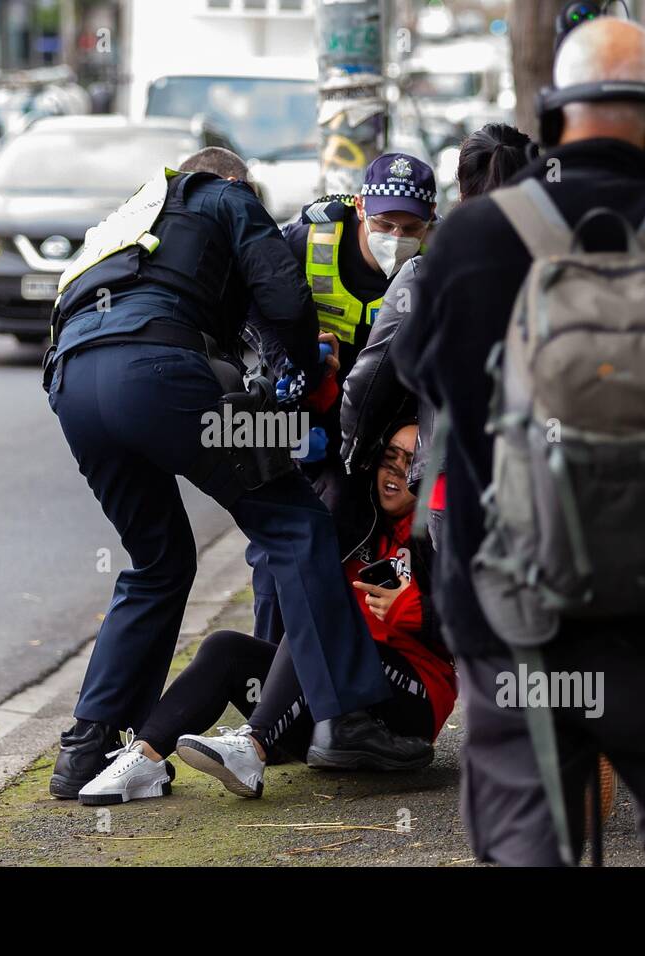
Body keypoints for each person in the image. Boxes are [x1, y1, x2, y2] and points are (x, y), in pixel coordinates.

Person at [396, 18, 645, 865]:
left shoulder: (473, 238)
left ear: (555, 112)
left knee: (528, 827)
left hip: (509, 599)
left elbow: (423, 372)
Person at [43, 146, 406, 799]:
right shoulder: (221, 192)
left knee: (157, 561)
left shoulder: (129, 219)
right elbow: (286, 298)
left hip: (72, 385)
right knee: (296, 523)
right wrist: (309, 377)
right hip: (159, 373)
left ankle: (85, 749)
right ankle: (346, 717)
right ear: (233, 181)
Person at [76, 421, 457, 805]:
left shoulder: (444, 530)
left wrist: (421, 613)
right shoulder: (355, 513)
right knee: (225, 647)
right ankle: (144, 759)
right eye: (388, 458)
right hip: (334, 707)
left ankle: (253, 744)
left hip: (412, 705)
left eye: (410, 463)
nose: (395, 472)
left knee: (318, 626)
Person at [249, 152, 437, 643]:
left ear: (430, 222)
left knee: (334, 528)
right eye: (383, 223)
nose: (395, 238)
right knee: (275, 541)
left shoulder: (439, 267)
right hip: (299, 410)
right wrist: (292, 357)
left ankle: (327, 669)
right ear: (359, 207)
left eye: (410, 227)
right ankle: (264, 672)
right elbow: (248, 307)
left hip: (371, 429)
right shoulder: (309, 239)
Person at [341, 124, 537, 554]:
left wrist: (353, 451)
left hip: (458, 483)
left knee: (465, 616)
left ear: (459, 196)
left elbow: (369, 383)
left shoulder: (425, 275)